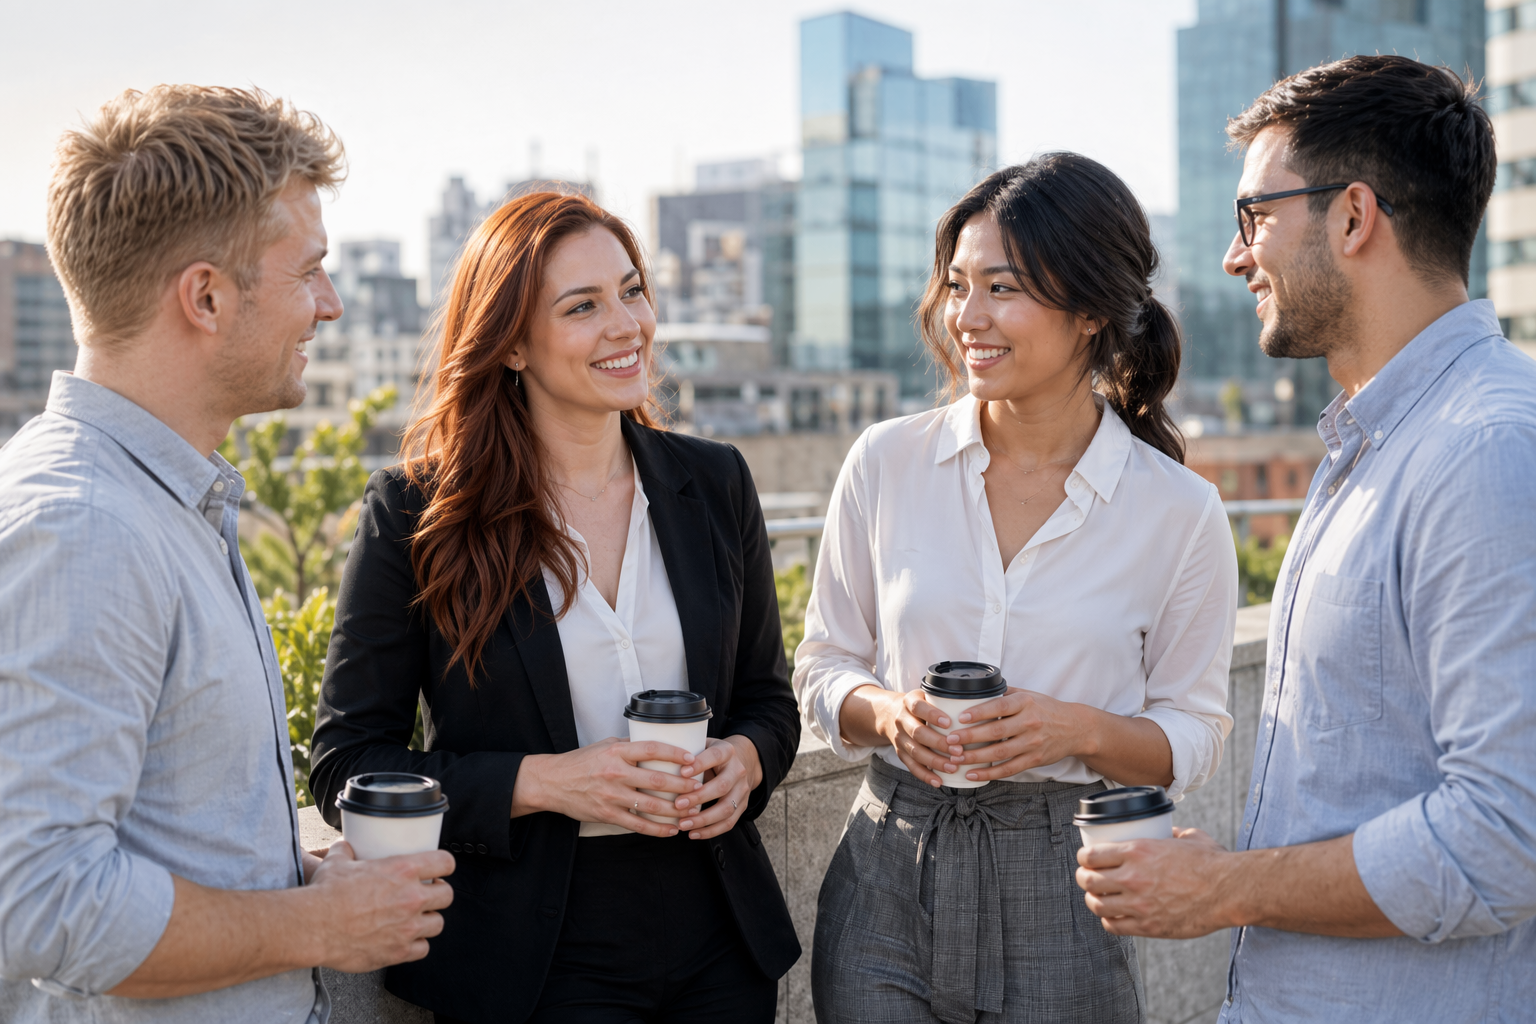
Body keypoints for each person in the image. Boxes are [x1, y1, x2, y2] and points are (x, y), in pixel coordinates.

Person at [1073, 55, 1536, 1023]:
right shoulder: (1379, 440)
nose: (1237, 256)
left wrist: (1224, 887)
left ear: (1354, 216)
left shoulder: (1484, 453)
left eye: (1254, 217)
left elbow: (1505, 832)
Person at [0, 86, 455, 1024]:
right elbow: (38, 902)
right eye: (309, 272)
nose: (328, 306)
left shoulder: (171, 494)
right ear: (205, 296)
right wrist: (314, 926)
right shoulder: (84, 528)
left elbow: (156, 822)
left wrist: (286, 872)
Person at [308, 190, 801, 1024]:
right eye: (583, 306)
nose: (626, 325)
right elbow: (346, 765)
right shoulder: (416, 513)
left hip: (719, 932)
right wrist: (548, 784)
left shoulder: (715, 482)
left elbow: (769, 702)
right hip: (531, 953)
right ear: (510, 346)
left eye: (632, 290)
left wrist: (747, 760)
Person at [795, 153, 1239, 1024]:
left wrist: (1071, 729)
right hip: (886, 867)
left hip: (1066, 883)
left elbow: (1195, 732)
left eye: (1002, 287)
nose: (967, 316)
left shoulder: (1179, 511)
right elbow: (821, 663)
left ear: (1087, 310)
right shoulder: (886, 461)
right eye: (957, 285)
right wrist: (887, 714)